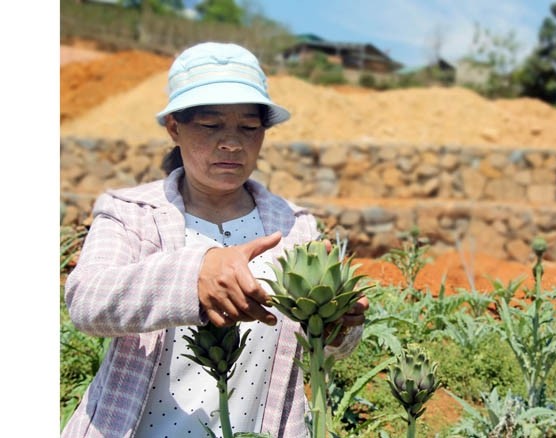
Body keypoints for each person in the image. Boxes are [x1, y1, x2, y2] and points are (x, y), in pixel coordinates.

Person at [62, 42, 369, 438]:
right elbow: (87, 301)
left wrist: (337, 327)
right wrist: (194, 274)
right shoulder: (131, 212)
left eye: (248, 127)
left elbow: (325, 353)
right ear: (174, 127)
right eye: (210, 126)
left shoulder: (295, 226)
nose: (232, 143)